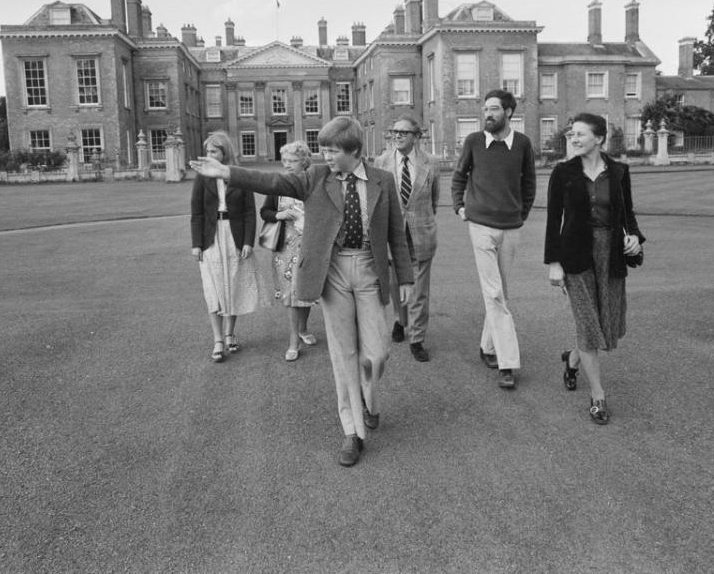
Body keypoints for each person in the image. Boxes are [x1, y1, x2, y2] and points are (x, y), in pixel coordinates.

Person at [190, 118, 413, 467]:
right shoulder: (316, 177)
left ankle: (369, 399)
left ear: (354, 150)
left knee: (377, 354)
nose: (325, 156)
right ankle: (351, 431)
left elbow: (397, 234)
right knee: (344, 355)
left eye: (332, 150)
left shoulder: (383, 180)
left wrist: (408, 279)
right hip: (333, 270)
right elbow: (273, 180)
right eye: (323, 149)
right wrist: (226, 172)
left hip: (370, 270)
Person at [544, 113, 645, 425]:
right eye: (572, 134)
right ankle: (598, 396)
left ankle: (573, 360)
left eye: (580, 134)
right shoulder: (562, 173)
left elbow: (627, 215)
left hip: (610, 253)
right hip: (575, 255)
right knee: (588, 324)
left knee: (605, 324)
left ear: (599, 138)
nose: (574, 139)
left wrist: (635, 240)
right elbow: (553, 222)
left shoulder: (618, 171)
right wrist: (555, 263)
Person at [450, 89, 536, 389]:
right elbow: (459, 176)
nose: (488, 114)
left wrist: (520, 215)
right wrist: (460, 207)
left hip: (511, 227)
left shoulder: (523, 144)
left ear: (509, 112)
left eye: (494, 109)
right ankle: (507, 362)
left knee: (500, 292)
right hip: (481, 226)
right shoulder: (474, 141)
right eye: (485, 109)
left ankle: (487, 346)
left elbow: (529, 183)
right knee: (495, 293)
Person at [190, 131, 268, 362]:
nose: (209, 155)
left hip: (234, 236)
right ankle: (217, 339)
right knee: (213, 289)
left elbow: (249, 213)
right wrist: (196, 244)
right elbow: (197, 212)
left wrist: (247, 242)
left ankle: (230, 333)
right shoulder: (202, 177)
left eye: (213, 151)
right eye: (208, 151)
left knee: (232, 285)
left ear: (225, 152)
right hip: (211, 238)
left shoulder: (239, 175)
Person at [376, 115, 439, 362]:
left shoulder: (431, 163)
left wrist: (419, 222)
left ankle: (417, 338)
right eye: (395, 132)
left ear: (416, 136)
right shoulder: (382, 161)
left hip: (421, 234)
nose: (398, 136)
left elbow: (434, 200)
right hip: (392, 235)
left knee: (419, 290)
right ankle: (400, 321)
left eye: (404, 132)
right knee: (395, 284)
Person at [260, 141, 318, 362]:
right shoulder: (279, 185)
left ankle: (303, 329)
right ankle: (293, 341)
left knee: (305, 292)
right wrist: (278, 215)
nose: (286, 165)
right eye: (284, 161)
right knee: (290, 295)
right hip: (284, 248)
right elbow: (264, 211)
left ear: (304, 162)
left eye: (291, 161)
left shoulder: (313, 184)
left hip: (309, 246)